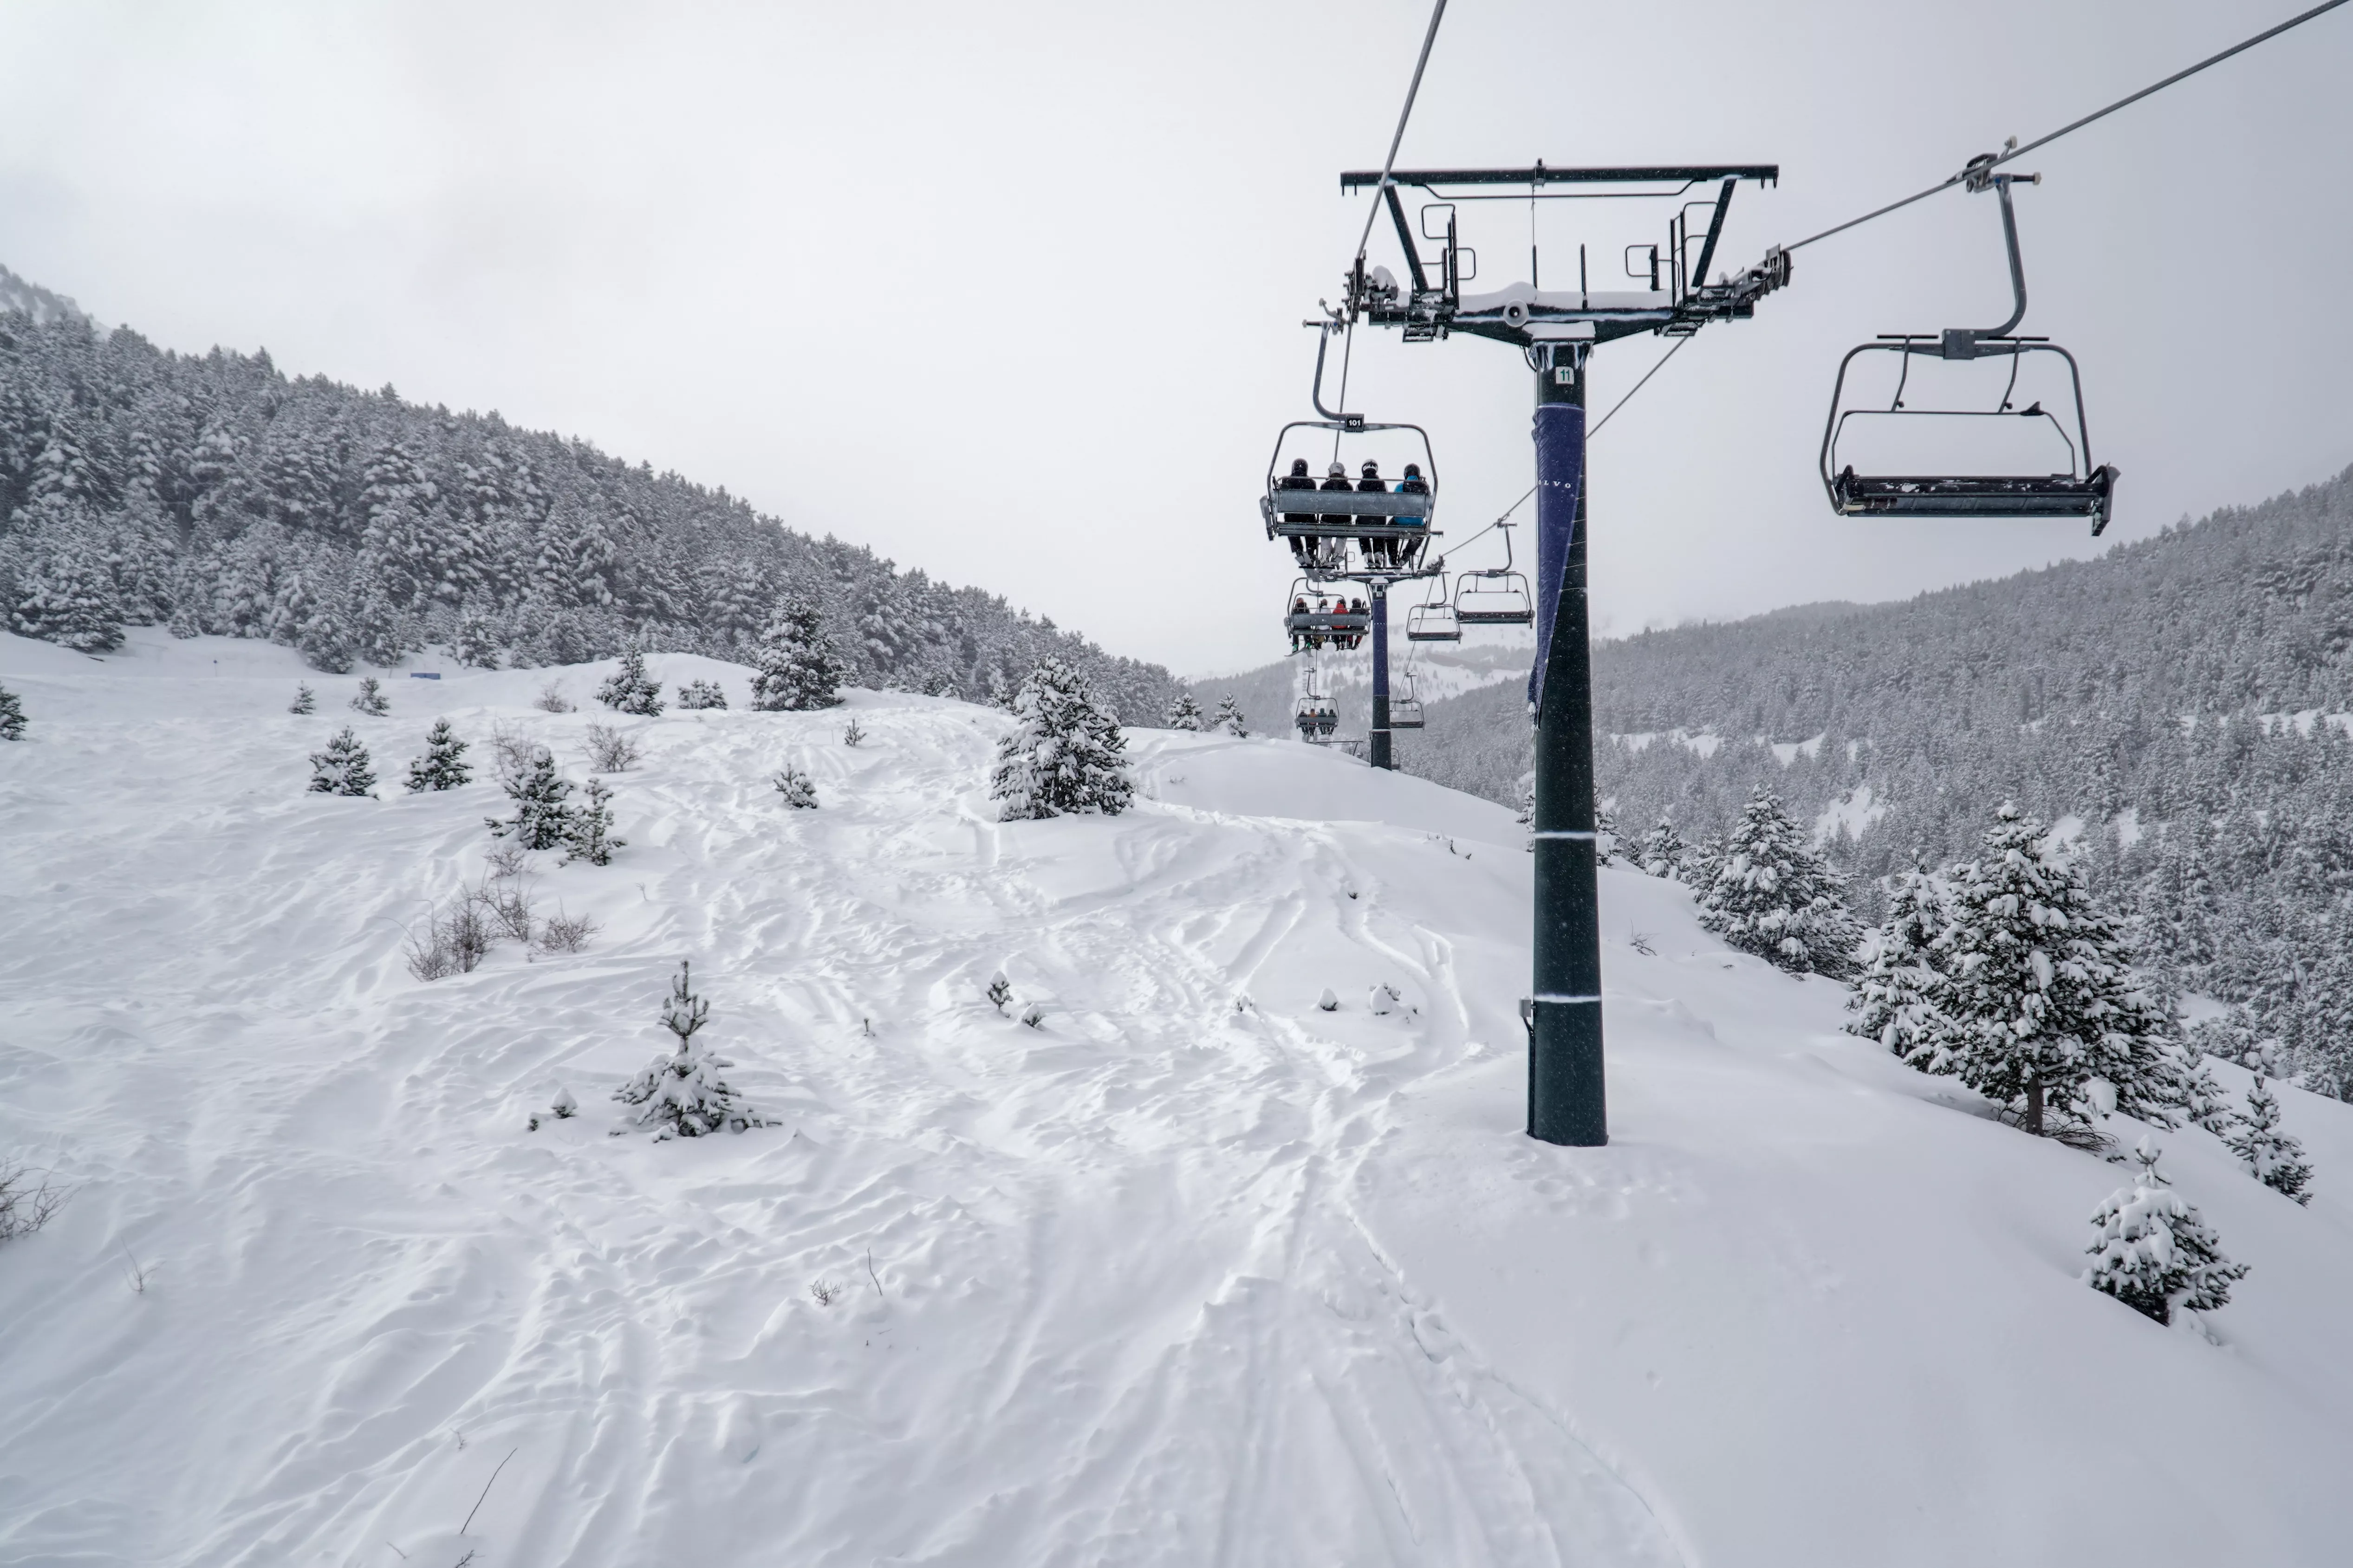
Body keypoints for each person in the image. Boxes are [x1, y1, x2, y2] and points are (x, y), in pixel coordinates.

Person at [1276, 457, 1318, 565]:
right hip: (1307, 517)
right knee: (1312, 530)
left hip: (1292, 517)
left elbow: (1283, 495)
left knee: (1291, 529)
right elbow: (1314, 501)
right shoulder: (1311, 483)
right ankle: (1311, 551)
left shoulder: (1286, 480)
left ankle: (1298, 550)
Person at [1356, 460, 1391, 566]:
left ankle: (1367, 553)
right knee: (1380, 530)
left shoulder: (1361, 484)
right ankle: (1378, 553)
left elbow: (1356, 501)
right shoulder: (1382, 484)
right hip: (1379, 518)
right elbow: (1387, 500)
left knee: (1361, 529)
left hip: (1364, 518)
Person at [1396, 461, 1430, 567]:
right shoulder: (1424, 487)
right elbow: (1429, 504)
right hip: (1417, 522)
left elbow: (1394, 502)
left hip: (1400, 521)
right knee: (1421, 533)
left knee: (1388, 529)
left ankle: (1393, 557)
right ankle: (1406, 555)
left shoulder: (1401, 486)